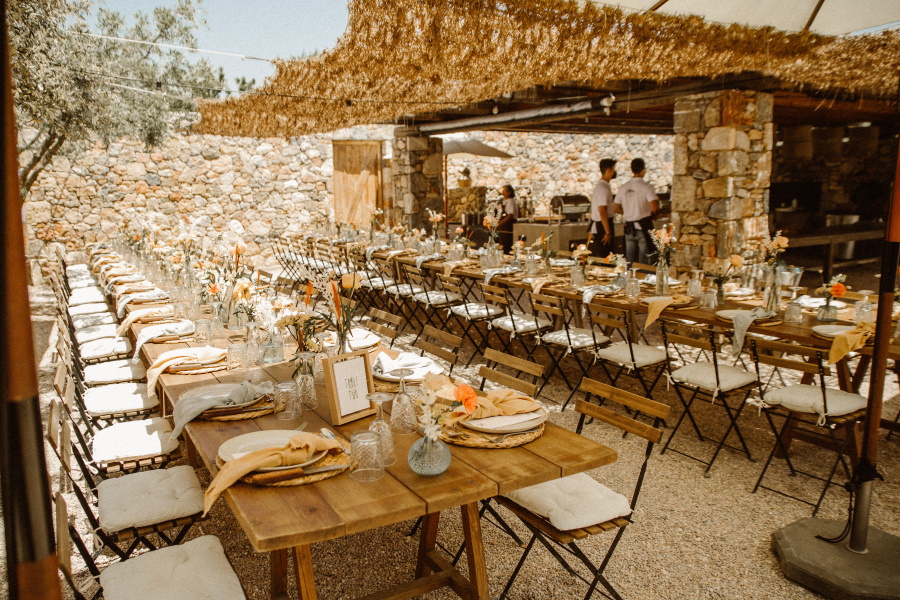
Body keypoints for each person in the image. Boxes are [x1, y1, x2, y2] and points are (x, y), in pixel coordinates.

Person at [613, 158, 659, 264]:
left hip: (629, 227)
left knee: (630, 261)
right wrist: (654, 216)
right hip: (643, 226)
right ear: (643, 170)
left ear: (631, 170)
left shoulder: (623, 187)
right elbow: (655, 208)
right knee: (645, 261)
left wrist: (628, 212)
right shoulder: (646, 187)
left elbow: (616, 208)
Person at [588, 158, 616, 257]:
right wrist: (607, 232)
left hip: (603, 224)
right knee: (605, 256)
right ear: (608, 170)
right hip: (603, 226)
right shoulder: (602, 187)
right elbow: (602, 210)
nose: (614, 173)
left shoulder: (604, 186)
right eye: (613, 170)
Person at [497, 184, 519, 253]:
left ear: (509, 192)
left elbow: (510, 215)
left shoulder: (511, 201)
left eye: (504, 191)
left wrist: (501, 223)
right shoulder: (505, 201)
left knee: (506, 244)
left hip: (508, 226)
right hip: (504, 226)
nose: (503, 192)